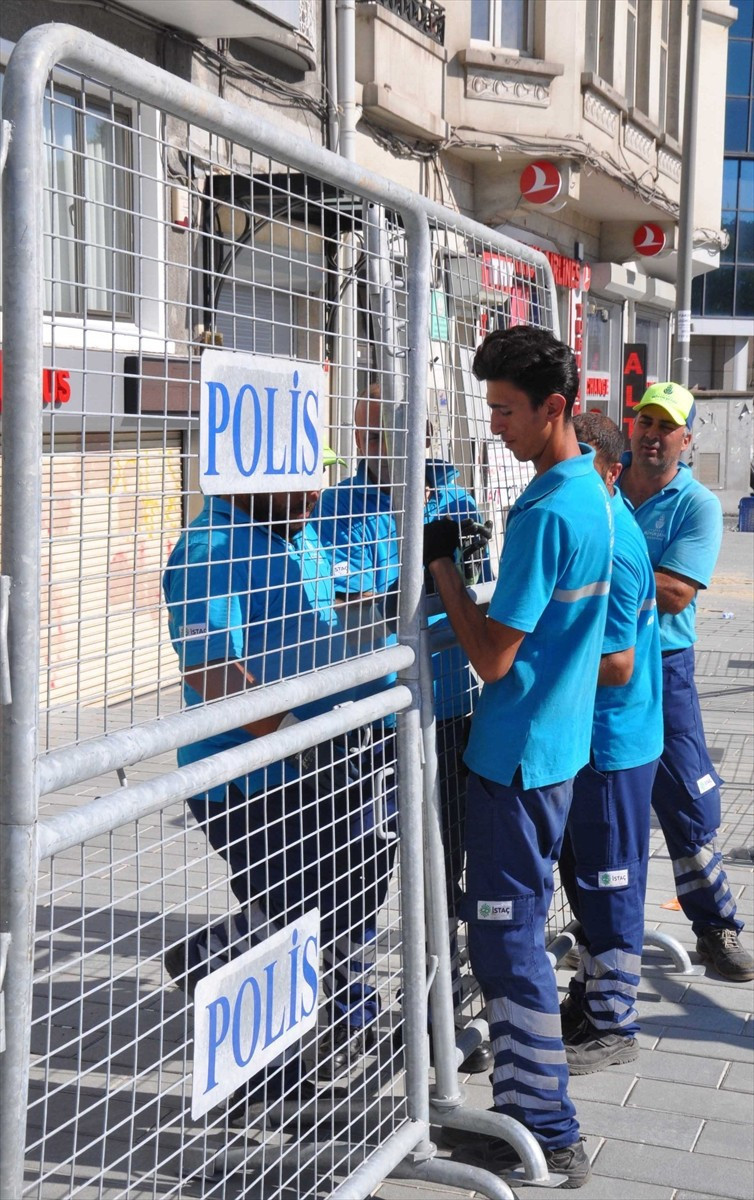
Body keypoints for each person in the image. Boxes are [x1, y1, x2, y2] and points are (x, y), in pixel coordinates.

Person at [425, 325, 613, 1189]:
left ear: (554, 408)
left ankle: (548, 1129)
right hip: (553, 751)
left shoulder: (547, 511)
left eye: (506, 411)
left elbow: (494, 658)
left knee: (506, 946)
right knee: (513, 936)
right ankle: (523, 1110)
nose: (495, 426)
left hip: (516, 758)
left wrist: (444, 571)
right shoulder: (591, 494)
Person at [161, 474, 395, 1102]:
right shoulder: (212, 548)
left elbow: (330, 610)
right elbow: (212, 669)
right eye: (302, 484)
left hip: (321, 760)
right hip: (251, 777)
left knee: (350, 890)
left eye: (317, 482)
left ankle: (324, 1014)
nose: (316, 497)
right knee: (291, 915)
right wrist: (294, 733)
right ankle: (264, 1081)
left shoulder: (293, 529)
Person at [311, 389, 494, 1075]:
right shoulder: (338, 506)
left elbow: (477, 593)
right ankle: (352, 1012)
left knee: (445, 862)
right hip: (373, 716)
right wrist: (420, 585)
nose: (384, 443)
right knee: (360, 867)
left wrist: (422, 587)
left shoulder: (456, 499)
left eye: (405, 429)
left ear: (429, 434)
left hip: (448, 709)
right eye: (374, 431)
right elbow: (345, 603)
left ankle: (442, 1001)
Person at [617, 382, 754, 982]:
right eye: (645, 421)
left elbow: (675, 593)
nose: (652, 434)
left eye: (666, 426)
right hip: (597, 663)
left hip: (663, 665)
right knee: (597, 802)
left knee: (689, 799)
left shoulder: (695, 503)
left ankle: (716, 926)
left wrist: (598, 571)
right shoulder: (602, 482)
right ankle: (598, 927)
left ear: (687, 439)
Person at [557, 412, 663, 1074]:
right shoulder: (598, 526)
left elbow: (618, 665)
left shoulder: (618, 543)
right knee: (590, 881)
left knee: (612, 882)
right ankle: (593, 999)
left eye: (577, 466)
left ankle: (614, 1022)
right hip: (595, 739)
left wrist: (536, 663)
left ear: (609, 472)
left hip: (614, 743)